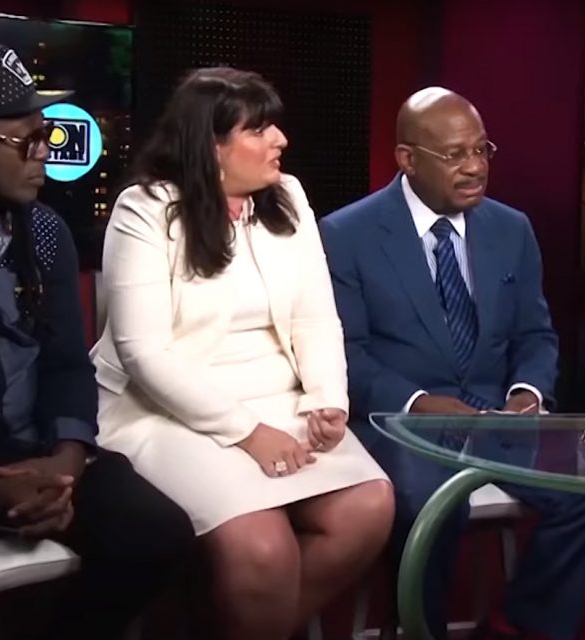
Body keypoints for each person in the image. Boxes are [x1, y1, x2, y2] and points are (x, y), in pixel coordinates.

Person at [91, 67, 394, 640]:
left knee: (369, 508)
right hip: (170, 410)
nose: (281, 139)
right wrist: (248, 432)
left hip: (279, 397)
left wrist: (328, 398)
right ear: (211, 146)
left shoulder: (288, 196)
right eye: (259, 129)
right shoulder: (145, 209)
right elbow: (144, 354)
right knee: (263, 548)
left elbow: (315, 316)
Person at [319, 87, 585, 640]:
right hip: (401, 423)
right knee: (428, 503)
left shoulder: (512, 228)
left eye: (481, 150)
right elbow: (344, 354)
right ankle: (419, 629)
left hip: (496, 417)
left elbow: (534, 334)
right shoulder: (346, 234)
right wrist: (418, 403)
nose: (475, 167)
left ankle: (518, 625)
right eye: (454, 154)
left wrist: (527, 394)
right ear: (408, 159)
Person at [0, 45, 194, 639]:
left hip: (37, 453)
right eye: (26, 142)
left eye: (46, 137)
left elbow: (66, 366)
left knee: (155, 533)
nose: (45, 154)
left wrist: (66, 466)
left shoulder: (45, 232)